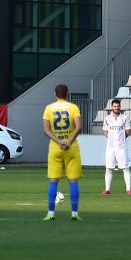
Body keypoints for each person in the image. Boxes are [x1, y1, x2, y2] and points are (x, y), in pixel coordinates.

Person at [42, 84, 83, 220]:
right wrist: (69, 141)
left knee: (53, 181)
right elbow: (79, 127)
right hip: (71, 148)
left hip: (56, 148)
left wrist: (59, 142)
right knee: (73, 181)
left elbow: (46, 130)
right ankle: (75, 213)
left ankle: (50, 213)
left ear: (55, 93)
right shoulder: (73, 108)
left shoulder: (49, 108)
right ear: (68, 93)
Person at [101, 97, 131, 195]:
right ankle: (107, 189)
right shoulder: (107, 119)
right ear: (112, 107)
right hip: (110, 147)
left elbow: (128, 132)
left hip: (121, 146)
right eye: (115, 106)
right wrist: (111, 139)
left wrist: (120, 139)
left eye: (118, 106)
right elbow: (105, 132)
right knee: (109, 168)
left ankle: (128, 189)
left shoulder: (125, 118)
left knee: (125, 168)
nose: (116, 108)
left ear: (120, 107)